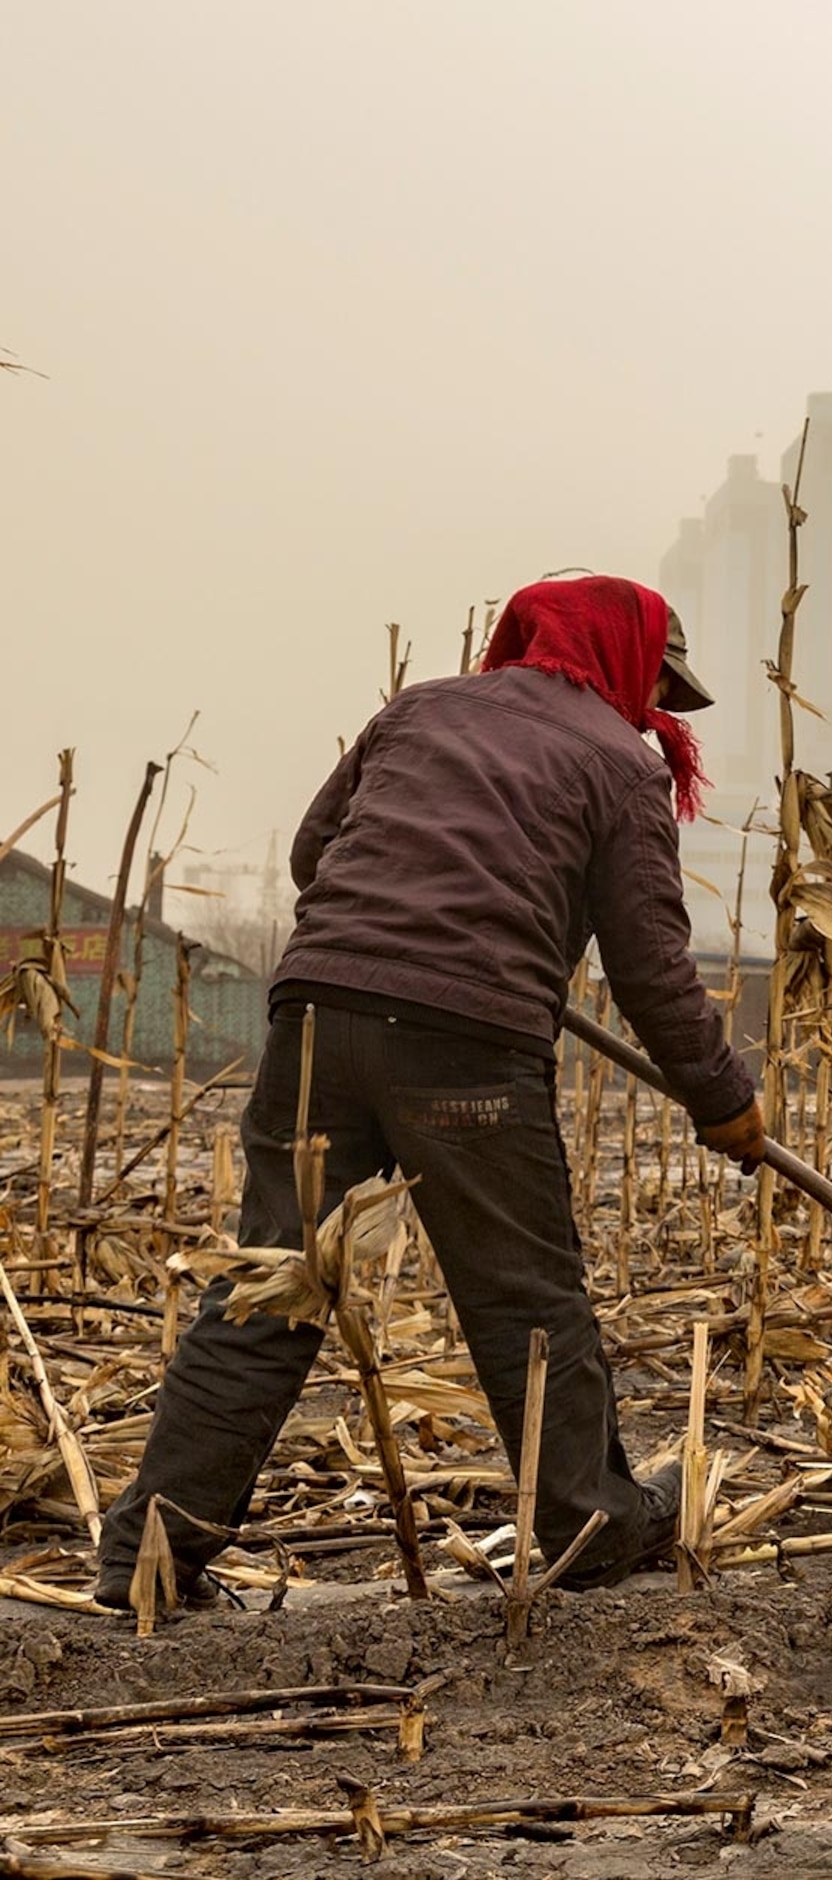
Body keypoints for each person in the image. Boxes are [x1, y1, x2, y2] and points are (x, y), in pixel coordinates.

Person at [96, 574, 769, 1612]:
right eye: (655, 685)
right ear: (623, 657)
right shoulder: (617, 765)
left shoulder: (418, 710)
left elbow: (317, 854)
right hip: (467, 1047)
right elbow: (651, 965)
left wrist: (399, 934)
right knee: (525, 1295)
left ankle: (147, 1552)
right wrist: (724, 1097)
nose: (655, 711)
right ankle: (588, 1516)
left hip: (314, 1018)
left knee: (270, 1287)